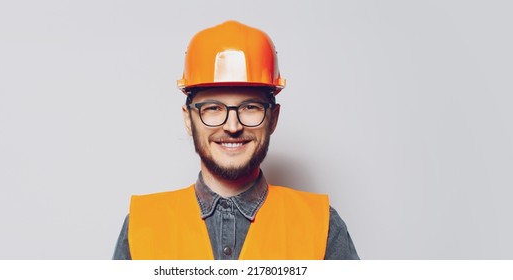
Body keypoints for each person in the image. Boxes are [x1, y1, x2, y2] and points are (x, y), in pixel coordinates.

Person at [113, 20, 359, 260]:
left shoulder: (321, 225)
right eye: (213, 108)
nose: (233, 126)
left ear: (273, 118)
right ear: (189, 119)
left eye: (250, 107)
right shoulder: (142, 227)